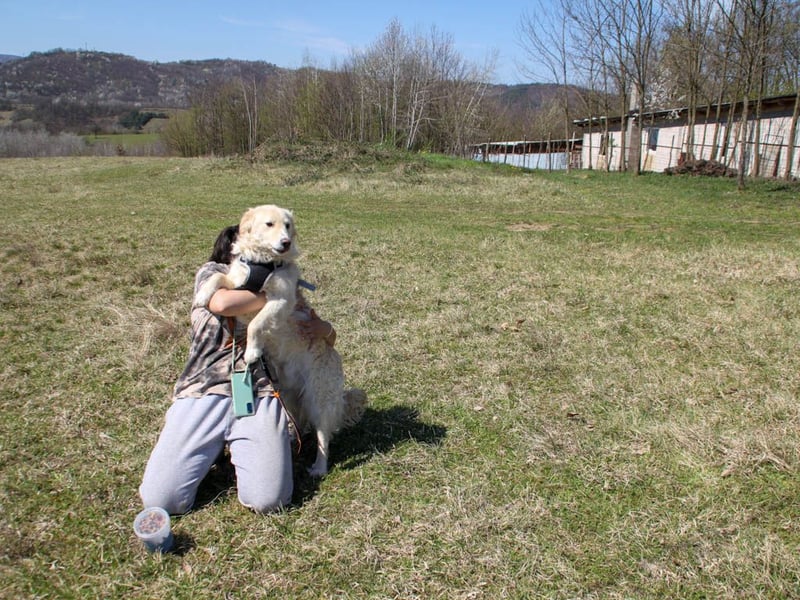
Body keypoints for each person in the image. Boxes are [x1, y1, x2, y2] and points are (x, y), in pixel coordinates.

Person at [139, 224, 336, 515]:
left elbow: (319, 340)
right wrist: (279, 295)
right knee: (160, 499)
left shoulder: (275, 282)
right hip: (205, 389)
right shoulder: (212, 275)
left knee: (270, 500)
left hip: (259, 392)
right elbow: (221, 302)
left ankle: (238, 445)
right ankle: (207, 447)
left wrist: (325, 328)